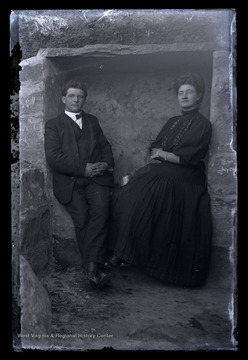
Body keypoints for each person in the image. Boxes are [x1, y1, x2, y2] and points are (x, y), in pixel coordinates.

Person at [105, 72, 212, 287]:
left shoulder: (202, 124)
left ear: (199, 96)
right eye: (181, 93)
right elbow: (154, 146)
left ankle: (124, 254)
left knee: (146, 195)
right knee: (124, 196)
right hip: (164, 170)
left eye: (189, 92)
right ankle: (123, 251)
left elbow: (186, 158)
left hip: (187, 176)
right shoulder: (173, 121)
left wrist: (163, 154)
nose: (184, 96)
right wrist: (162, 153)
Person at [44, 80, 115, 288]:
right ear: (63, 99)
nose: (76, 100)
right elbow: (54, 157)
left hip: (96, 179)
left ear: (85, 98)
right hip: (70, 182)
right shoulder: (53, 124)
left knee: (101, 211)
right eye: (72, 96)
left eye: (80, 96)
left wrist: (105, 163)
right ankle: (95, 267)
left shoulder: (93, 121)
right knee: (82, 217)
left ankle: (91, 267)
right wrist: (83, 169)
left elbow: (105, 146)